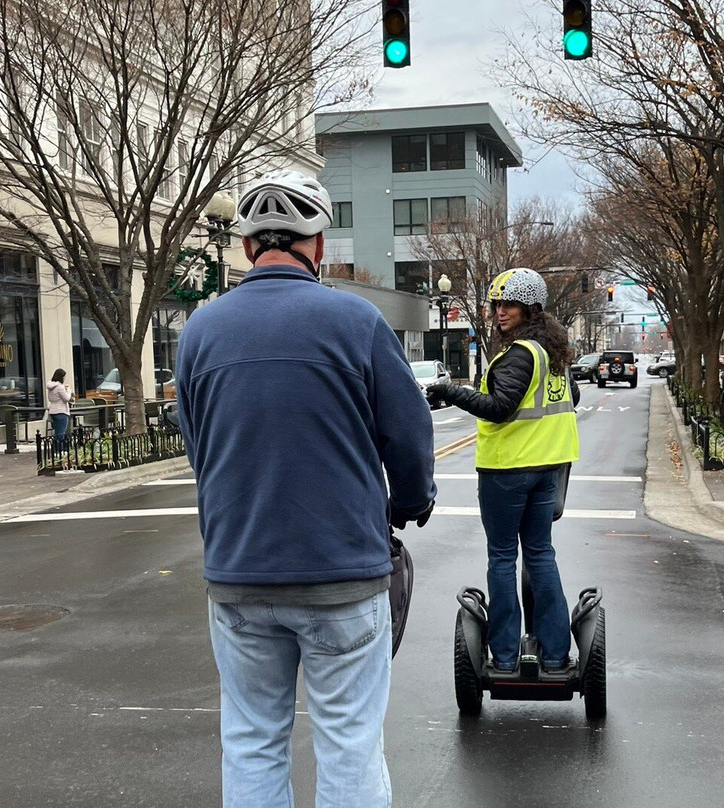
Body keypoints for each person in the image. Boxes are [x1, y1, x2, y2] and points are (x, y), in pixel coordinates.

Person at [176, 170, 436, 808]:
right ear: (318, 245)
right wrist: (408, 503)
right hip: (342, 572)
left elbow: (198, 450)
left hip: (239, 573)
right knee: (349, 740)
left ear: (245, 247)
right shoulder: (357, 321)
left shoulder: (198, 334)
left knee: (252, 739)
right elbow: (408, 437)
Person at [426, 268, 580, 673]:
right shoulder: (553, 353)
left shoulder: (519, 354)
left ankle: (507, 657)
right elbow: (571, 398)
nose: (499, 312)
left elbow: (498, 408)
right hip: (549, 469)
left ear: (530, 308)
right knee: (541, 555)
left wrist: (449, 391)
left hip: (508, 471)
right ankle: (555, 654)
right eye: (496, 304)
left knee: (501, 558)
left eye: (508, 304)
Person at [46, 369, 72, 452]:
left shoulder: (51, 387)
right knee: (61, 434)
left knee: (57, 432)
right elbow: (66, 398)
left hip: (53, 411)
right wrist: (68, 390)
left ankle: (56, 450)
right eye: (64, 377)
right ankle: (59, 451)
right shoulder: (60, 387)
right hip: (61, 411)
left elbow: (50, 398)